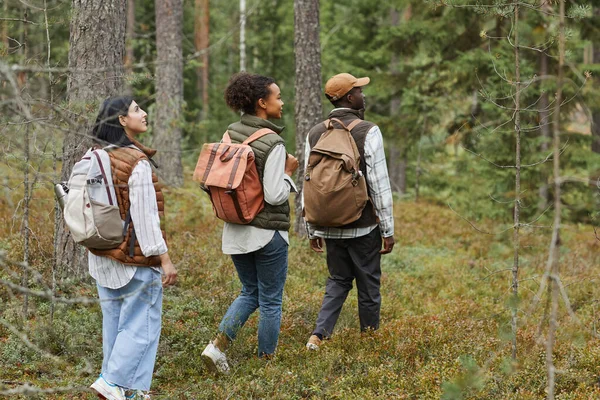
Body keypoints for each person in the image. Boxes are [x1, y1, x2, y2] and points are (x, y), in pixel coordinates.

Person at [201, 72, 299, 373]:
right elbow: (274, 194)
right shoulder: (273, 142)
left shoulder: (230, 133)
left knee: (249, 293)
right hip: (267, 234)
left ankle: (216, 347)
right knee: (270, 301)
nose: (282, 102)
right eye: (277, 97)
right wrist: (289, 172)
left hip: (235, 230)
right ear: (262, 103)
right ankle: (265, 366)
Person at [87, 96, 178, 400]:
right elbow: (145, 218)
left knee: (115, 326)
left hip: (102, 255)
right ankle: (112, 382)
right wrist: (163, 259)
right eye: (137, 109)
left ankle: (132, 390)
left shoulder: (93, 156)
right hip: (135, 258)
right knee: (143, 326)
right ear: (122, 120)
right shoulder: (135, 162)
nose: (144, 113)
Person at [304, 73, 395, 351]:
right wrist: (388, 230)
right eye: (359, 90)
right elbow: (379, 184)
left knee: (338, 280)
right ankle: (369, 343)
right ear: (348, 97)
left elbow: (309, 182)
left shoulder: (316, 132)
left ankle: (318, 335)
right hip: (363, 224)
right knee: (369, 284)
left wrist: (312, 227)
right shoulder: (368, 130)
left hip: (329, 224)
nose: (363, 95)